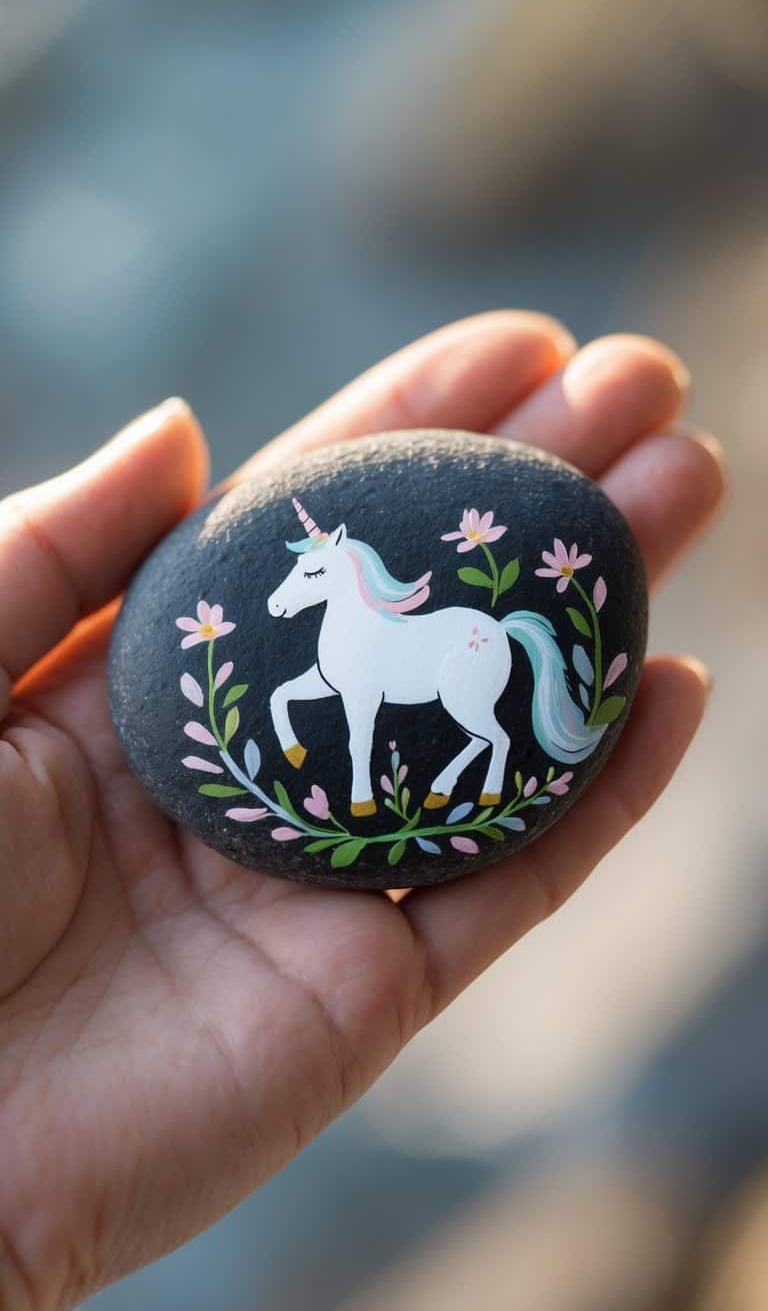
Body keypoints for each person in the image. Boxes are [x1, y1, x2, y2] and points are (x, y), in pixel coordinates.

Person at [0, 313, 725, 1308]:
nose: (300, 589)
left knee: (457, 726)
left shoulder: (436, 632)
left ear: (334, 569)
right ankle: (455, 760)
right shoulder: (337, 626)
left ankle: (480, 751)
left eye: (309, 576)